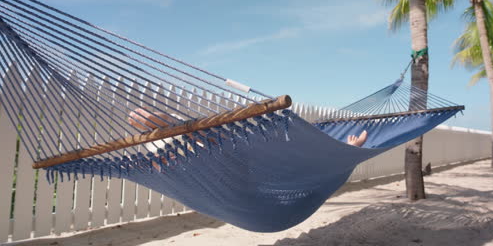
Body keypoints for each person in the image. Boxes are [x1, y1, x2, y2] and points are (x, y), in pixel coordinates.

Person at [128, 108, 368, 147]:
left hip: (244, 152)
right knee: (213, 138)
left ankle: (348, 149)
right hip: (244, 154)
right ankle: (348, 148)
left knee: (213, 138)